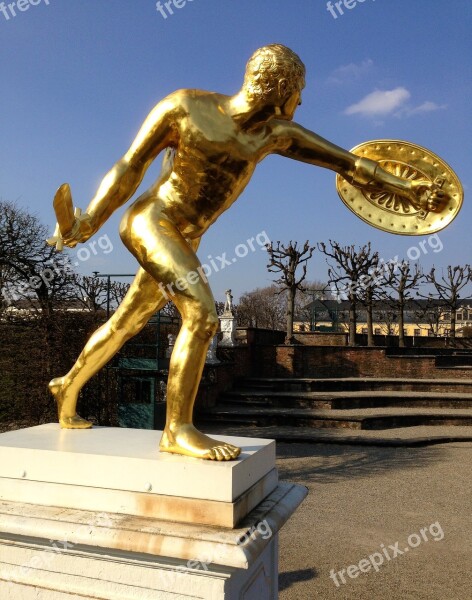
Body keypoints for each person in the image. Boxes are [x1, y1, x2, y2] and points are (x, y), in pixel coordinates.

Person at [49, 44, 444, 461]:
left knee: (125, 322)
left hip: (185, 237)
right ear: (279, 87)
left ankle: (67, 385)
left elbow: (349, 165)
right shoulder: (185, 106)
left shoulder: (275, 135)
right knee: (201, 315)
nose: (302, 100)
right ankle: (177, 429)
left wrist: (408, 188)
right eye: (300, 90)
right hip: (151, 221)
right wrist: (90, 220)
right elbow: (131, 166)